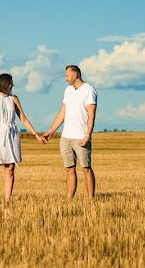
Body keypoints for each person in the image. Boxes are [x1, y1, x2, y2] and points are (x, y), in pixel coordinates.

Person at [0, 73, 45, 200]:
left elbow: (23, 119)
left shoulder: (13, 98)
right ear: (4, 84)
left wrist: (36, 135)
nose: (12, 85)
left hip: (12, 135)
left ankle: (7, 200)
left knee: (10, 169)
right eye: (10, 83)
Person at [41, 65, 98, 199]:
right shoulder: (68, 90)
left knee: (86, 168)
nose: (65, 78)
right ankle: (69, 199)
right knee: (69, 169)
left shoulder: (89, 90)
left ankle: (91, 199)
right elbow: (63, 112)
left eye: (67, 75)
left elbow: (91, 115)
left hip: (81, 137)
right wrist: (50, 132)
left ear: (75, 75)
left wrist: (87, 136)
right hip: (66, 137)